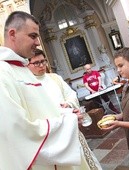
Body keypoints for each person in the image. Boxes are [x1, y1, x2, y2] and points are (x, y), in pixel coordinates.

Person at [0, 11, 102, 170]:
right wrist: (68, 122)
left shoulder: (22, 70)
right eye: (33, 36)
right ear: (13, 34)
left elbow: (41, 111)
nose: (38, 42)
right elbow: (15, 129)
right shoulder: (3, 72)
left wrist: (68, 113)